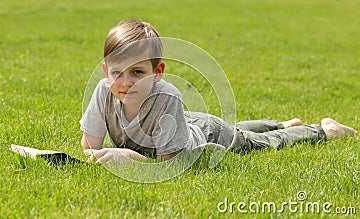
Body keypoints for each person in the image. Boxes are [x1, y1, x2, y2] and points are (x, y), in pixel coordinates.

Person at [80, 19, 357, 165]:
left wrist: (127, 157)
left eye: (137, 72)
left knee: (251, 142)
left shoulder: (167, 97)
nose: (125, 82)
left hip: (208, 135)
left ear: (158, 72)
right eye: (117, 72)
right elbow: (90, 144)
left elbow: (170, 163)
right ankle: (282, 122)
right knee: (238, 128)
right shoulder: (104, 92)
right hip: (186, 123)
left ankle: (325, 130)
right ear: (106, 71)